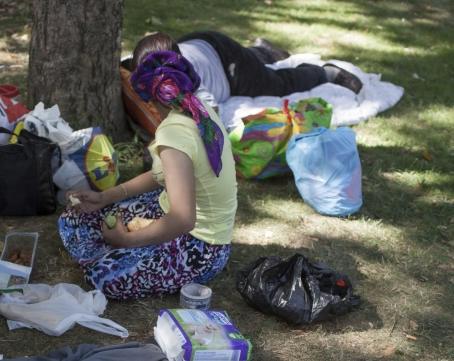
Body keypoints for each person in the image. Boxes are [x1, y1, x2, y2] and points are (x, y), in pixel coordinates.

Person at [58, 48, 237, 300]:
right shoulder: (199, 110)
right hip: (178, 219)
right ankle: (120, 248)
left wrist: (128, 241)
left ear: (147, 97)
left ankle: (118, 252)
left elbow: (184, 220)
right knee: (74, 219)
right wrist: (107, 196)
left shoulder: (174, 132)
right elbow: (167, 176)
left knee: (102, 277)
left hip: (202, 247)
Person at [131, 31, 362, 115]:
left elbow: (211, 115)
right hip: (201, 42)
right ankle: (264, 52)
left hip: (230, 66)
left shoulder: (190, 83)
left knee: (277, 85)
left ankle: (326, 73)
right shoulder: (148, 66)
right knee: (253, 63)